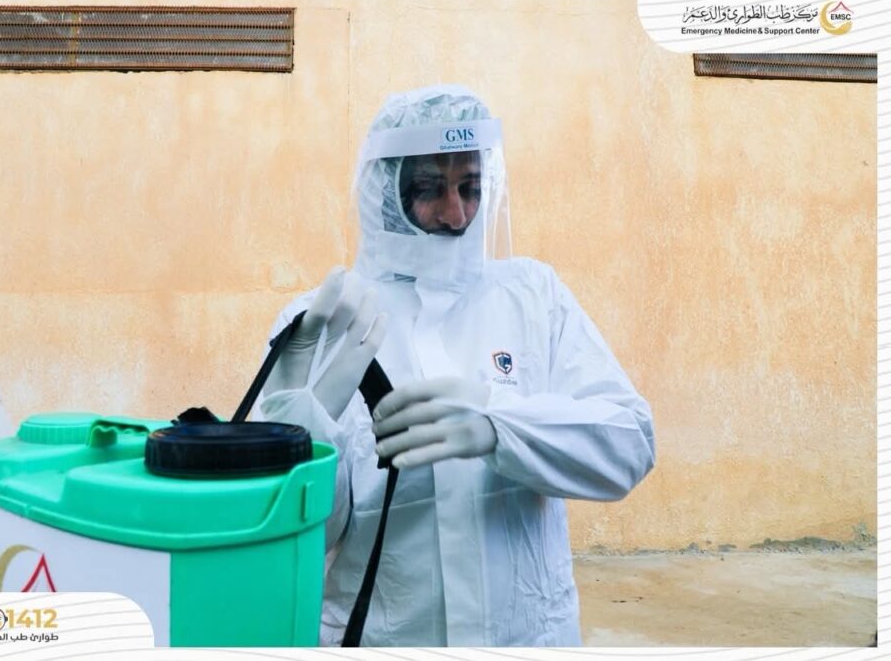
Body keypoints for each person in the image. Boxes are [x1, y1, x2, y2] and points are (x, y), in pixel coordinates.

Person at [255, 84, 655, 646]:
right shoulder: (328, 320)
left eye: (470, 187)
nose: (456, 213)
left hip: (526, 638)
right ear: (384, 191)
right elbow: (305, 538)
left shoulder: (532, 295)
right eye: (428, 188)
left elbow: (628, 447)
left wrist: (500, 425)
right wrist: (301, 432)